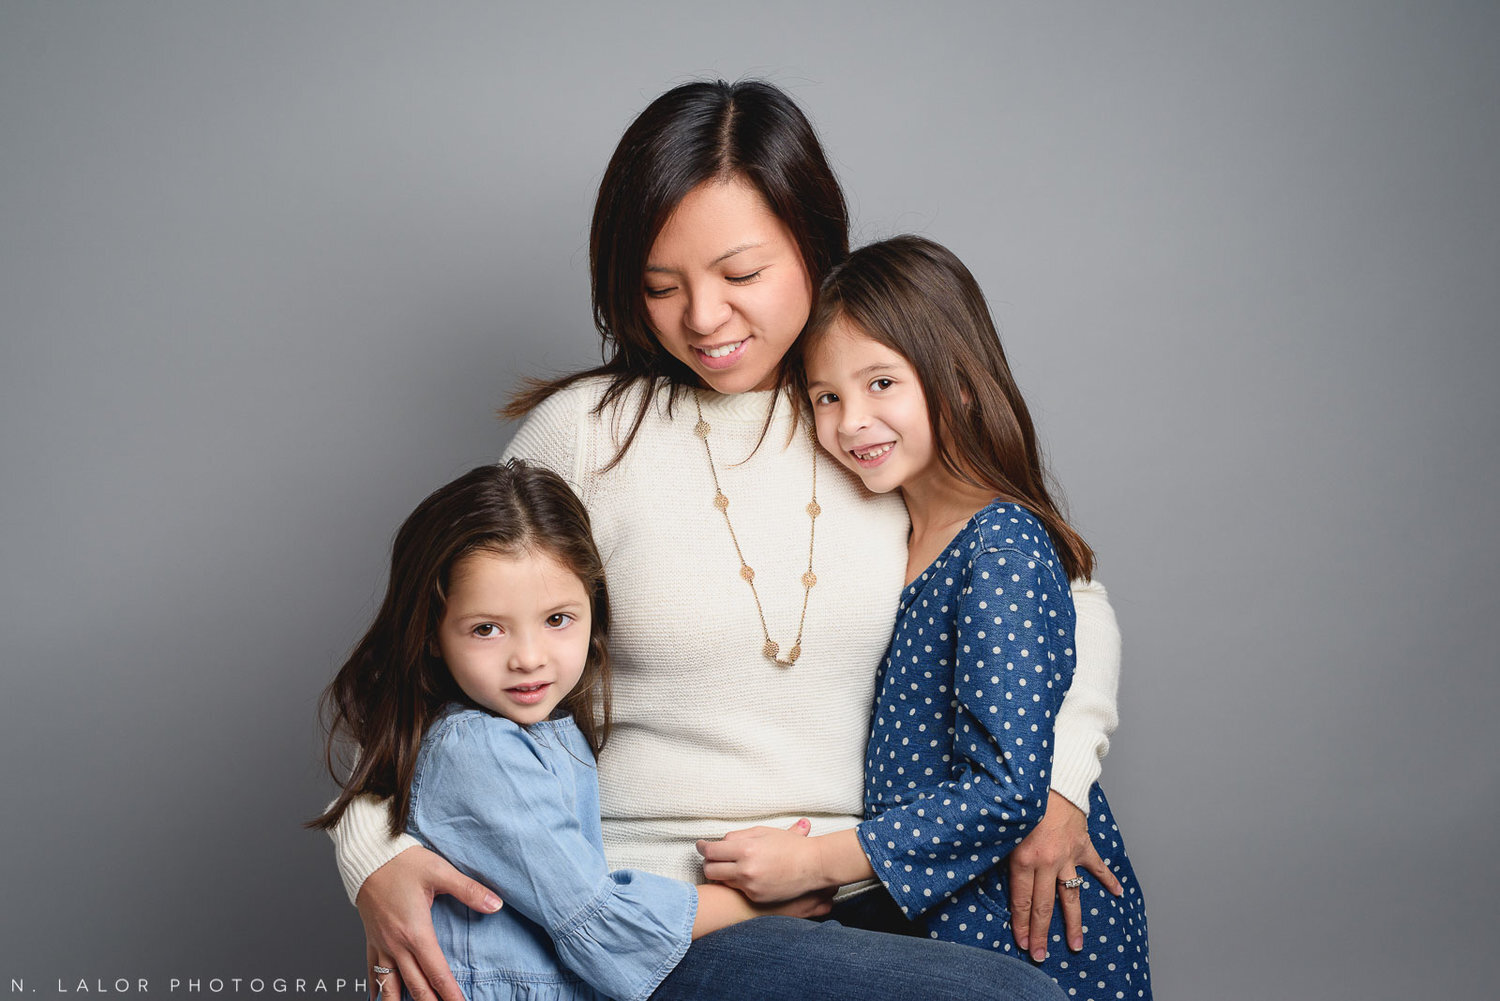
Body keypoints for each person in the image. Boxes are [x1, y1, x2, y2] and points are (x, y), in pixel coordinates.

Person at [327, 79, 1122, 1001]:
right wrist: (374, 862)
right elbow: (415, 663)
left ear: (815, 249)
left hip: (881, 897)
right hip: (658, 918)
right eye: (660, 286)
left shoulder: (862, 418)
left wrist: (1059, 781)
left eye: (741, 276)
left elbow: (1064, 594)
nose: (702, 319)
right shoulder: (586, 432)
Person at [697, 235, 1150, 999]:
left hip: (1020, 924)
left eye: (881, 383)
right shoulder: (889, 531)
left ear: (960, 383)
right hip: (926, 919)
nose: (851, 422)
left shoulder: (999, 541)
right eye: (826, 397)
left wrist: (814, 862)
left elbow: (1008, 786)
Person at [311, 462, 836, 1001]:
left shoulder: (544, 733)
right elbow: (600, 922)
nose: (529, 659)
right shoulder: (476, 749)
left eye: (558, 619)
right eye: (486, 629)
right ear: (430, 636)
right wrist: (764, 901)